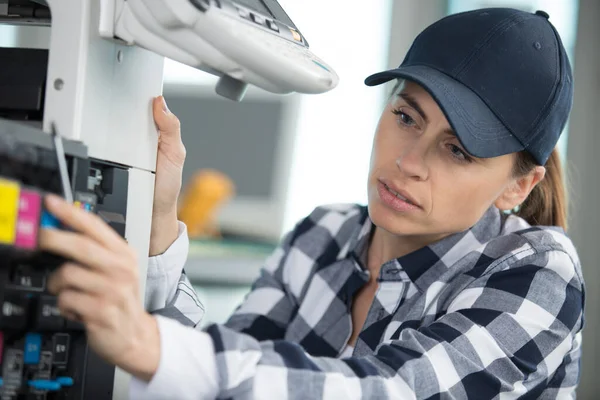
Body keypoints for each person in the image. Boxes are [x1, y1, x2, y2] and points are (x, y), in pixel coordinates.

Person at [39, 7, 585, 399]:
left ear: (519, 185)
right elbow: (225, 369)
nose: (409, 162)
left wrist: (149, 343)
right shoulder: (323, 234)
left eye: (458, 151)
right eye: (406, 116)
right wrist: (160, 225)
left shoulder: (538, 272)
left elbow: (393, 389)